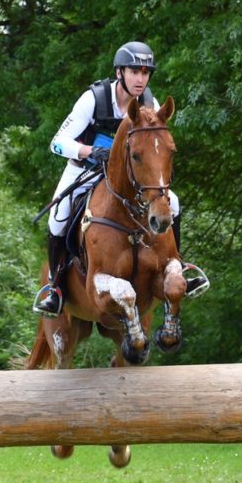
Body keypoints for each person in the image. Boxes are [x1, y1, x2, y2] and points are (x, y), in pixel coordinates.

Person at [32, 41, 210, 317]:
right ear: (119, 73)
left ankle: (180, 265)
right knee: (57, 214)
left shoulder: (150, 102)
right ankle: (55, 287)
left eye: (145, 73)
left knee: (172, 202)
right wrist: (90, 150)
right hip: (86, 168)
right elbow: (57, 142)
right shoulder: (94, 99)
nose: (141, 79)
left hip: (129, 176)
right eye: (134, 72)